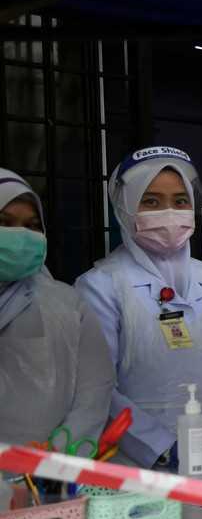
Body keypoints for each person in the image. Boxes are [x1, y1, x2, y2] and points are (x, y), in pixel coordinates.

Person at [75, 147, 202, 477]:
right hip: (141, 472)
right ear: (125, 207)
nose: (169, 212)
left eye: (180, 201)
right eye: (151, 201)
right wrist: (162, 447)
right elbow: (97, 388)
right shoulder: (100, 287)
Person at [0, 169, 114, 454]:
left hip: (47, 481)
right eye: (5, 222)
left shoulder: (67, 303)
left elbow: (95, 389)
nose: (21, 235)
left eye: (32, 225)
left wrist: (60, 455)